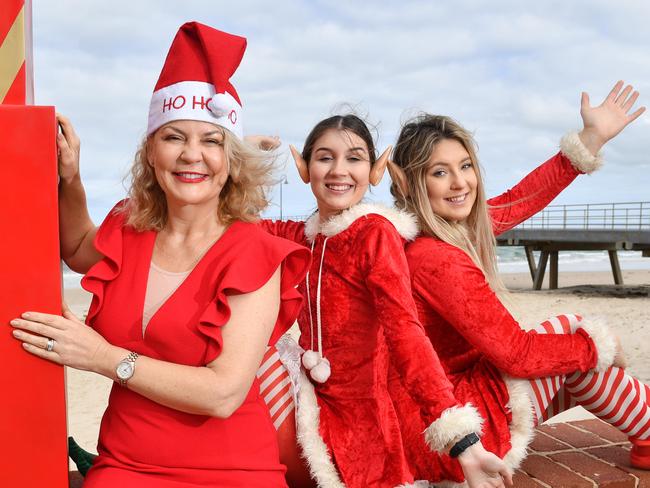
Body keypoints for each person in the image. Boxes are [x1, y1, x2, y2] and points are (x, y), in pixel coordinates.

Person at [10, 22, 310, 487]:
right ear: (151, 151)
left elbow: (223, 394)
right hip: (123, 466)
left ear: (230, 161)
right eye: (174, 137)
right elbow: (74, 247)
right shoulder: (130, 227)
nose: (192, 155)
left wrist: (102, 357)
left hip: (231, 471)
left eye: (211, 141)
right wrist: (69, 179)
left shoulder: (254, 251)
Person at [386, 81, 649, 485]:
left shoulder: (444, 231)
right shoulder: (433, 258)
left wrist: (589, 139)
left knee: (576, 360)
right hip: (453, 433)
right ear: (407, 183)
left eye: (466, 166)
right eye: (440, 172)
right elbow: (517, 355)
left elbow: (520, 199)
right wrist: (598, 345)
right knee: (571, 335)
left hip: (443, 414)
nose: (460, 183)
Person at [261, 115, 513, 488]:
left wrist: (461, 440)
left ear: (376, 170)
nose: (339, 171)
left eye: (355, 158)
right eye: (325, 158)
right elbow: (224, 222)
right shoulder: (300, 236)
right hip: (309, 403)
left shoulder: (376, 235)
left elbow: (406, 332)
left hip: (363, 422)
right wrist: (242, 155)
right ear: (303, 166)